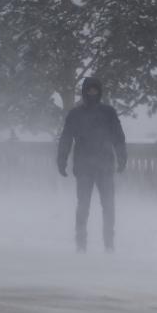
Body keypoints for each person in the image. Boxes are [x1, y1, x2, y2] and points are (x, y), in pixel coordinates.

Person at [57, 77, 127, 253]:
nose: (92, 93)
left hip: (105, 166)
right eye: (89, 90)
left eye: (95, 90)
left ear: (100, 92)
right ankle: (81, 243)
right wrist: (61, 159)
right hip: (83, 167)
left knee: (108, 205)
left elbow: (118, 136)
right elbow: (66, 138)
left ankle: (109, 243)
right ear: (84, 91)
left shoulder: (108, 113)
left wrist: (122, 157)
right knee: (83, 205)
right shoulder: (75, 114)